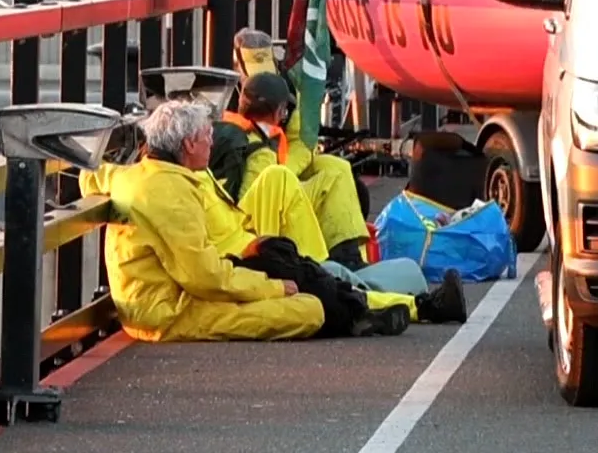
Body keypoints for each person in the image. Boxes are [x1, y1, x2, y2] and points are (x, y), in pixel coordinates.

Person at [80, 100, 412, 342]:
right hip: (168, 312)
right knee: (307, 308)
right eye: (207, 136)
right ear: (188, 145)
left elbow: (90, 177)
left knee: (293, 275)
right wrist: (270, 288)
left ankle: (361, 313)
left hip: (161, 298)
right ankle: (364, 315)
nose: (213, 142)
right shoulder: (170, 193)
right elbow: (205, 278)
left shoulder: (137, 176)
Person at [214, 72, 463, 320]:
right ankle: (420, 305)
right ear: (278, 110)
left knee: (333, 170)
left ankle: (361, 272)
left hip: (249, 242)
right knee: (289, 182)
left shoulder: (231, 137)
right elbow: (259, 196)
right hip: (259, 244)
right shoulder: (262, 153)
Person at [226, 32, 372, 268]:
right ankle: (316, 267)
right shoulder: (223, 99)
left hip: (282, 170)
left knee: (337, 167)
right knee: (291, 179)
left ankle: (348, 257)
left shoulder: (288, 87)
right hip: (252, 196)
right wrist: (279, 176)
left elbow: (302, 140)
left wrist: (286, 171)